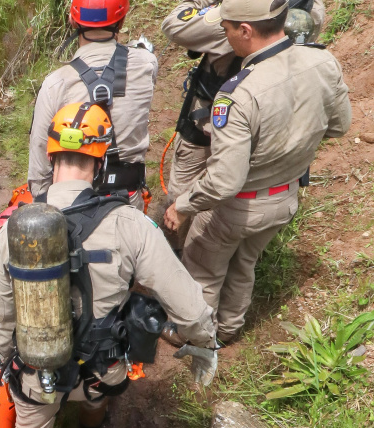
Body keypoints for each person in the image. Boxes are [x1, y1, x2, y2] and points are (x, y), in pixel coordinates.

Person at [0, 103, 217, 428]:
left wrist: (9, 361)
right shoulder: (129, 223)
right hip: (102, 373)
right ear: (100, 164)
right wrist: (205, 342)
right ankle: (90, 424)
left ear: (51, 155)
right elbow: (187, 304)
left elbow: (4, 313)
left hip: (36, 376)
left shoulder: (16, 227)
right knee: (99, 392)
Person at [164, 0, 351, 344]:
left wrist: (183, 205)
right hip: (285, 197)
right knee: (243, 264)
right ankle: (230, 329)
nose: (225, 34)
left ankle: (195, 337)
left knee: (204, 268)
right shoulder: (322, 61)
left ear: (246, 31)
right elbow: (339, 125)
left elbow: (223, 181)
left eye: (227, 29)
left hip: (237, 205)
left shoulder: (238, 94)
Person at [160, 0, 324, 249]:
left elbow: (175, 24)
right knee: (242, 253)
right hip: (271, 130)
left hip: (209, 129)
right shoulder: (308, 11)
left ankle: (181, 256)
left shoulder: (237, 16)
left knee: (185, 206)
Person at [27, 0, 158, 209]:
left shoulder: (55, 85)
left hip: (74, 208)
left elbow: (39, 173)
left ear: (72, 20)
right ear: (122, 21)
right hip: (129, 201)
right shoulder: (147, 64)